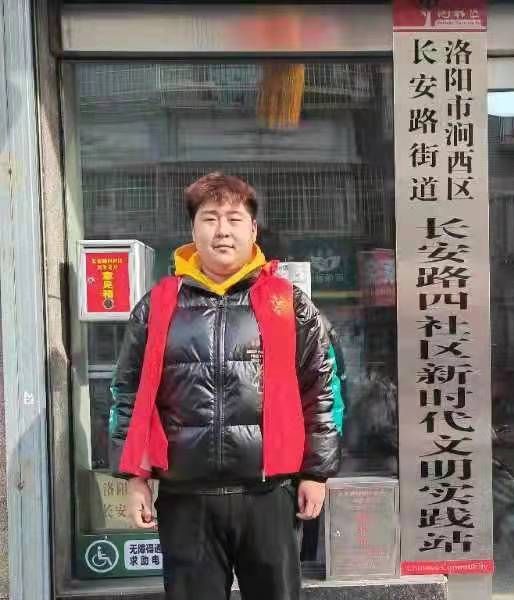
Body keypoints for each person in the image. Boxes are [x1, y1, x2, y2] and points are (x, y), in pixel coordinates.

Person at [108, 172, 340, 600]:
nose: (222, 230)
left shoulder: (288, 303)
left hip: (267, 493)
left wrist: (315, 472)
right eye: (210, 218)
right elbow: (128, 393)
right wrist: (134, 478)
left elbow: (321, 389)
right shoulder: (158, 306)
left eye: (234, 219)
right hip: (186, 496)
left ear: (253, 230)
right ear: (193, 229)